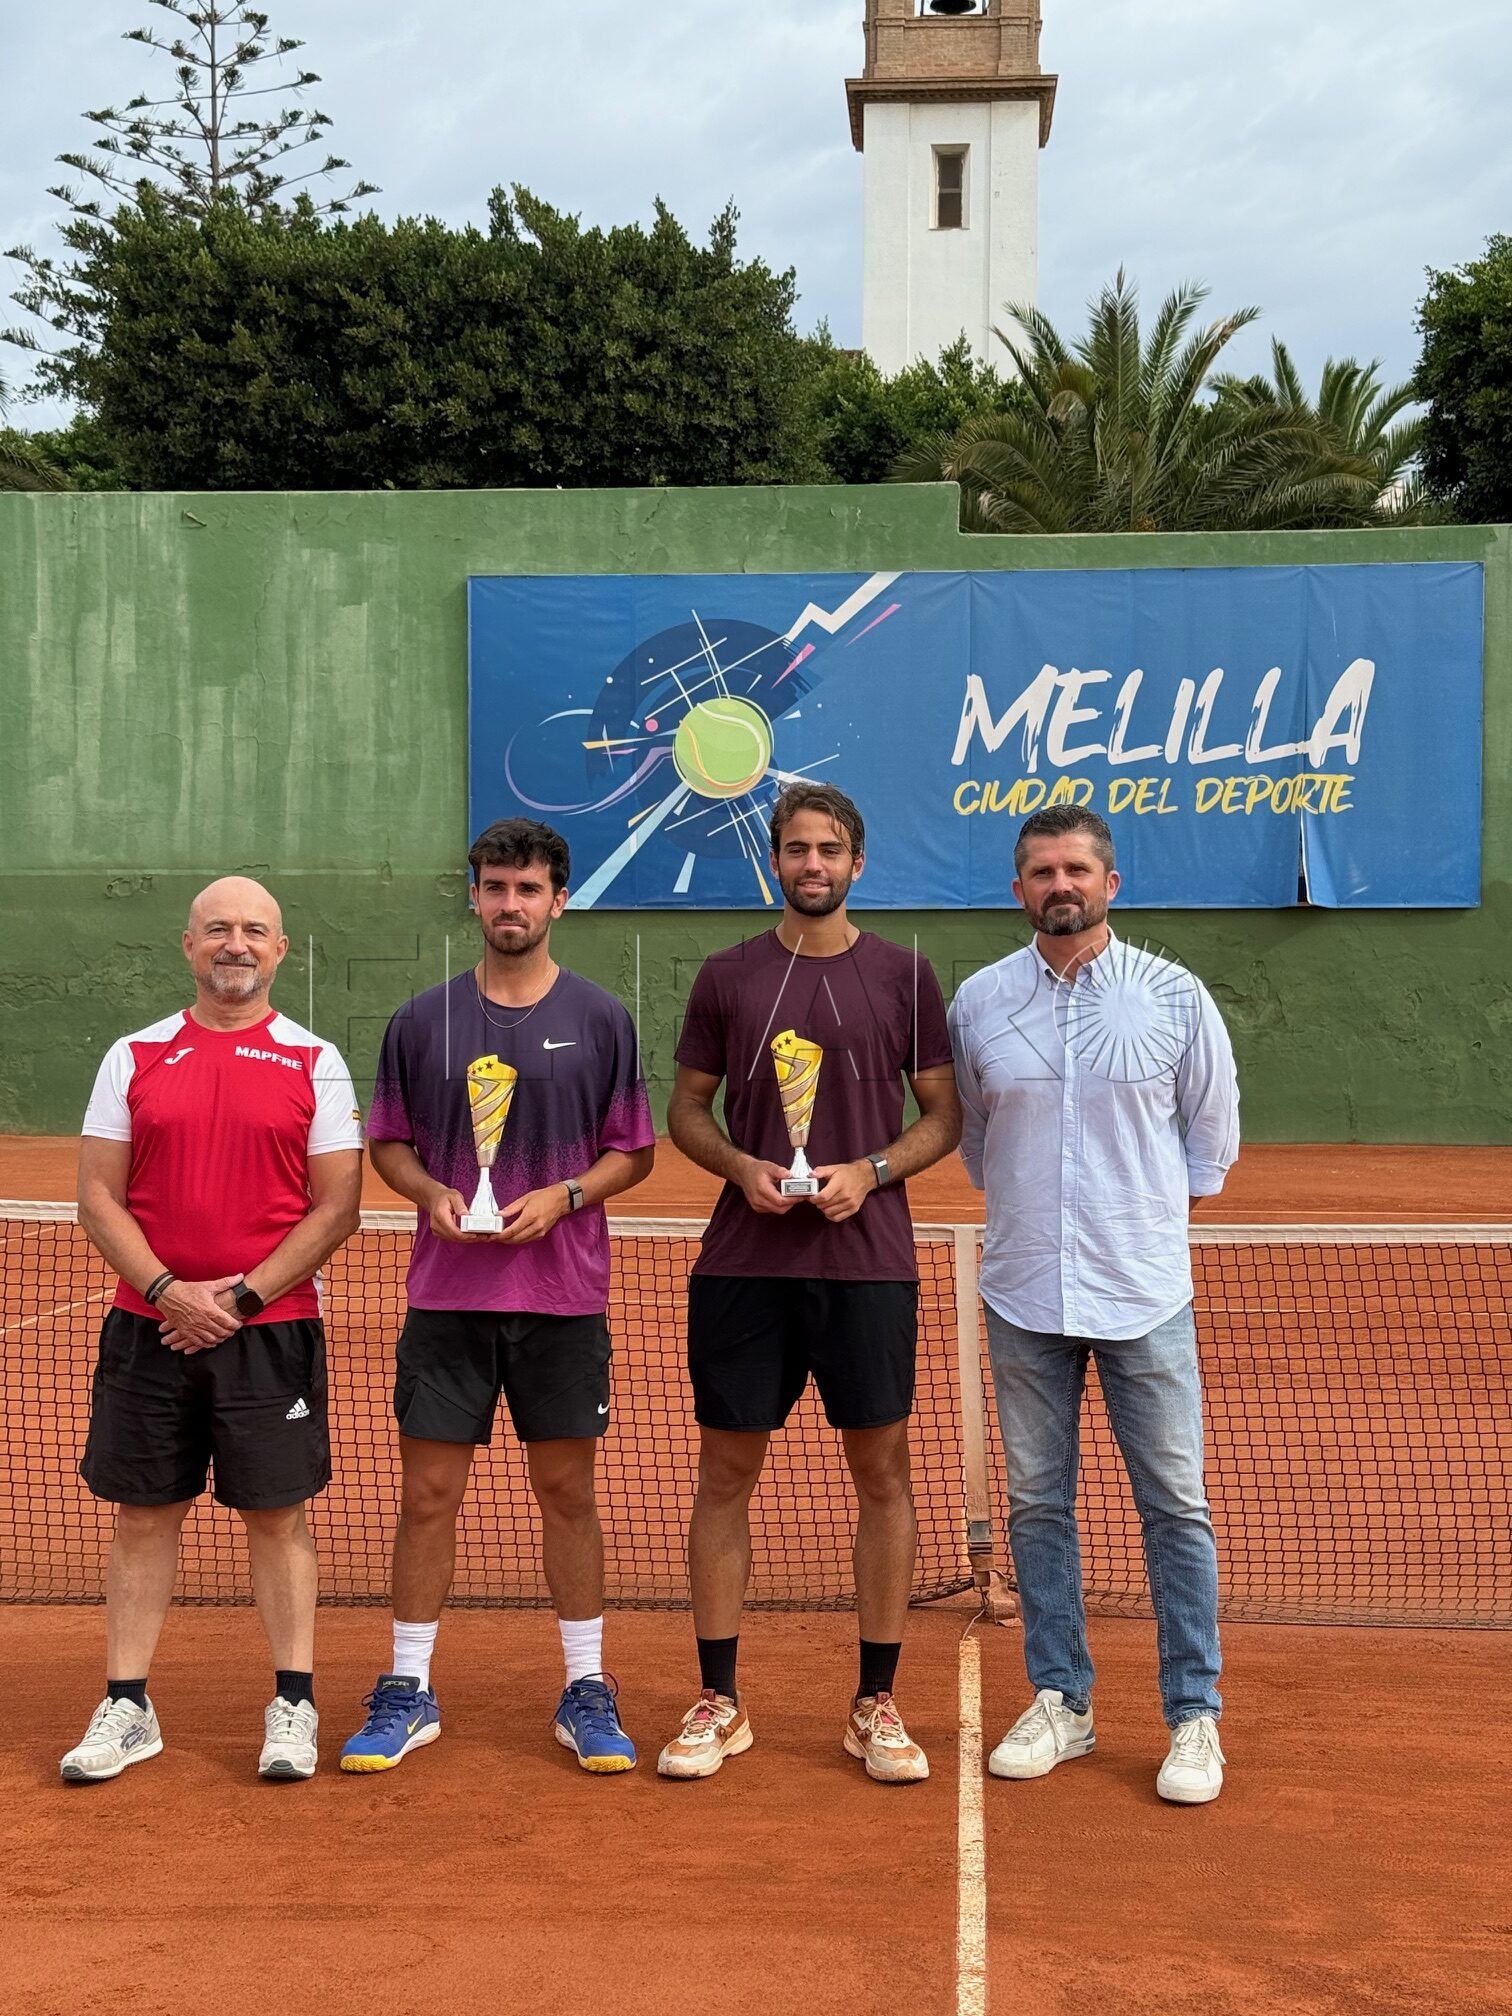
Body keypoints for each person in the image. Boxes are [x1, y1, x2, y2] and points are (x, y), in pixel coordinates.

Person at [657, 783, 961, 1785]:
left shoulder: (908, 978)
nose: (812, 864)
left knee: (882, 1475)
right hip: (746, 1266)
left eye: (830, 849)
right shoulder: (728, 976)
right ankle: (720, 1701)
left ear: (857, 863)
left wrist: (869, 1172)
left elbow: (942, 1118)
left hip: (868, 1265)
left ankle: (875, 1702)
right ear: (774, 863)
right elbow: (688, 1111)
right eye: (796, 849)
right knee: (725, 1478)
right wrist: (742, 1168)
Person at [340, 818, 655, 1775]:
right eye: (493, 888)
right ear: (472, 896)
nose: (509, 904)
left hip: (562, 1298)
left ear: (559, 900)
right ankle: (407, 1687)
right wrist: (429, 1192)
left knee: (568, 1492)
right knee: (428, 1495)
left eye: (527, 889)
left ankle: (586, 1686)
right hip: (447, 1300)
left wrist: (565, 1195)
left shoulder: (602, 1018)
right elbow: (386, 1141)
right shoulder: (420, 1020)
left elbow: (633, 1149)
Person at [948, 806, 1240, 1804]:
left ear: (1111, 883)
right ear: (1017, 887)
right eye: (1040, 870)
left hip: (1145, 1294)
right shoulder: (981, 1002)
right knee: (1037, 1507)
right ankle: (1062, 1702)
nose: (1058, 883)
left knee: (1177, 1506)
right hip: (1024, 1291)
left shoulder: (1175, 998)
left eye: (1076, 868)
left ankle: (1194, 1716)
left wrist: (1133, 1223)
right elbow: (981, 1143)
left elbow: (1211, 1142)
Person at [63, 878, 363, 1784]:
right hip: (147, 1326)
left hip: (269, 1333)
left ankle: (294, 1705)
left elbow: (337, 1207)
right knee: (145, 1515)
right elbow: (97, 1195)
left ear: (280, 951)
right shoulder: (134, 1054)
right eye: (219, 930)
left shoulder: (319, 1061)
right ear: (188, 945)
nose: (237, 944)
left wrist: (235, 1302)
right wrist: (165, 1289)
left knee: (278, 1516)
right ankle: (127, 1705)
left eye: (255, 931)